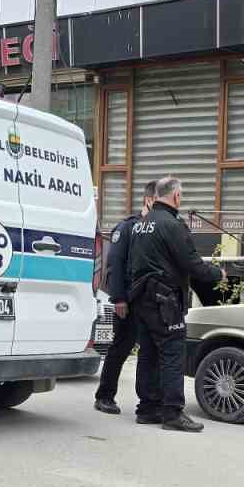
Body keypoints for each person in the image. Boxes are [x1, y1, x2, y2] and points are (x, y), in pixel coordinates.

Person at [127, 175, 225, 432]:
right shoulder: (173, 225)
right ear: (176, 196)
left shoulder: (141, 224)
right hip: (165, 301)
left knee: (147, 353)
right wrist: (218, 274)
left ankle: (147, 409)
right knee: (172, 354)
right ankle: (172, 413)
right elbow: (192, 265)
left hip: (142, 299)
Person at [93, 181, 157, 415]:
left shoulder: (158, 227)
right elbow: (115, 265)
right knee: (121, 347)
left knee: (150, 351)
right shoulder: (127, 227)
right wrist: (119, 298)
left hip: (150, 301)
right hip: (128, 301)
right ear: (149, 200)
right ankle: (104, 396)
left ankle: (150, 400)